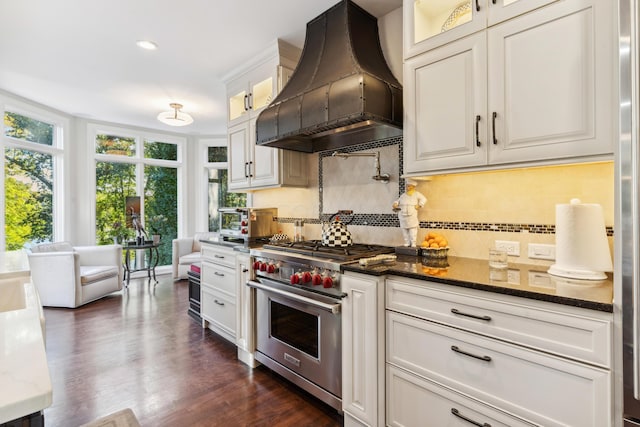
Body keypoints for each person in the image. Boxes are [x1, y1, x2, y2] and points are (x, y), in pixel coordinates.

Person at [392, 179, 426, 247]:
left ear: (413, 187)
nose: (407, 188)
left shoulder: (417, 194)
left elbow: (424, 199)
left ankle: (413, 243)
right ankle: (407, 242)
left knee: (412, 230)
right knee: (404, 230)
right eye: (407, 186)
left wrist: (419, 205)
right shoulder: (403, 195)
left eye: (409, 186)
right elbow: (398, 201)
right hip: (402, 216)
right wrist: (395, 203)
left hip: (412, 215)